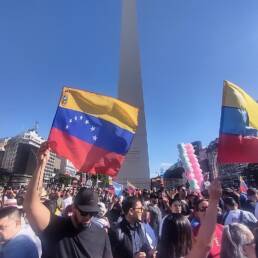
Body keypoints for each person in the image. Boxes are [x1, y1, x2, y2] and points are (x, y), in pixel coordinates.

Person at [24, 142, 113, 258]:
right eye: (84, 212)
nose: (88, 217)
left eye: (92, 213)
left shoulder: (101, 234)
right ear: (74, 208)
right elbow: (31, 205)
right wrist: (41, 164)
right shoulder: (55, 227)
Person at [157, 178, 222, 258]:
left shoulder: (222, 228)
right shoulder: (167, 220)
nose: (178, 207)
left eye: (179, 205)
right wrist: (214, 200)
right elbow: (204, 246)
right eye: (203, 209)